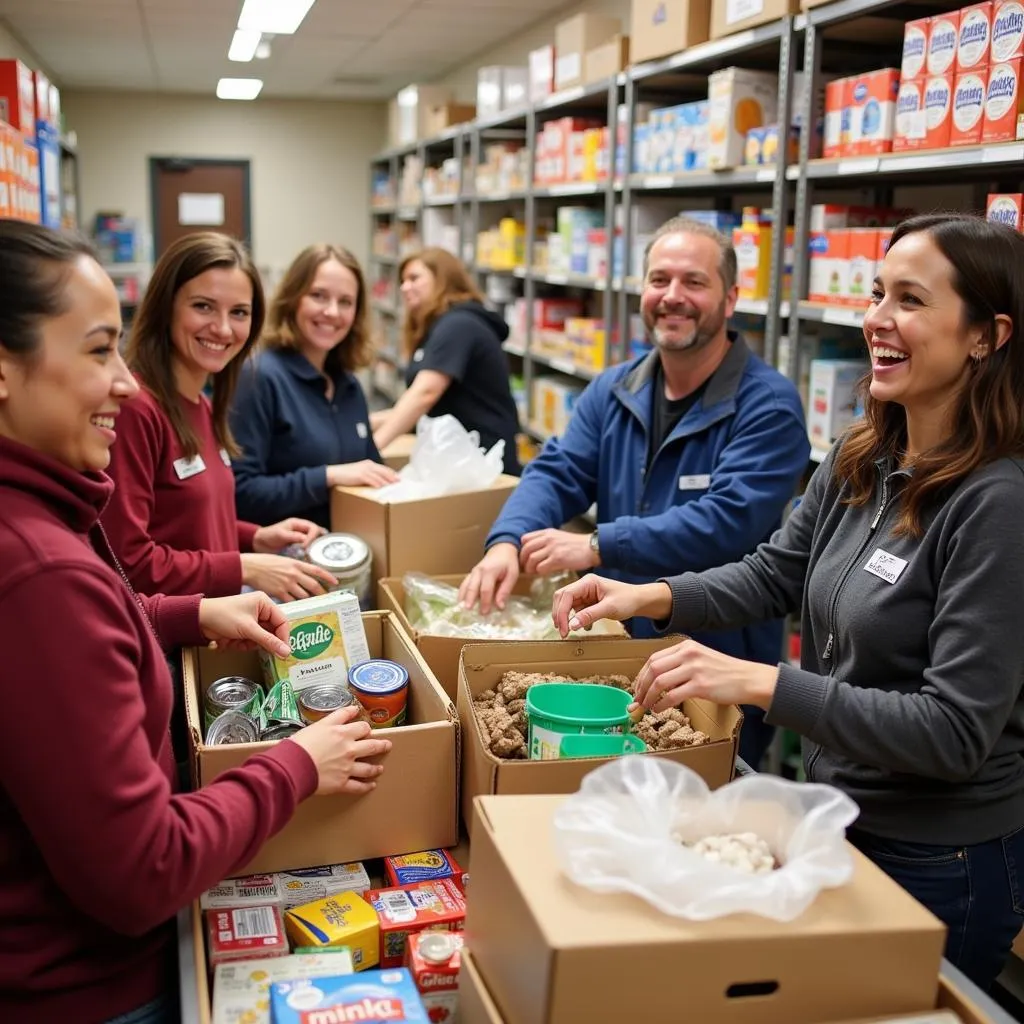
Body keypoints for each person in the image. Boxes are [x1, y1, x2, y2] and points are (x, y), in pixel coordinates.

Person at [552, 213, 1024, 992]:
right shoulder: (863, 455)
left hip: (946, 862)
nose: (876, 319)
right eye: (876, 294)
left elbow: (953, 731)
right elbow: (776, 574)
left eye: (910, 300)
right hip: (839, 817)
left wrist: (761, 682)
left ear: (986, 335)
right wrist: (649, 593)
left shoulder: (997, 503)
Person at [0, 221, 392, 1022]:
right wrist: (298, 766)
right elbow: (141, 867)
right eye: (97, 351)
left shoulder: (52, 526)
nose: (121, 381)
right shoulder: (38, 569)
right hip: (85, 987)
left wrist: (206, 596)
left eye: (237, 311)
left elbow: (113, 602)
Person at [460, 216, 810, 769]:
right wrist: (506, 540)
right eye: (659, 280)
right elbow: (556, 471)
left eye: (694, 282)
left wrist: (599, 545)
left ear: (731, 298)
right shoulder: (615, 389)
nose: (673, 296)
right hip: (621, 654)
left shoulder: (768, 406)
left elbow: (729, 520)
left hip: (718, 670)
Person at [102, 232, 337, 602]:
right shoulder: (135, 408)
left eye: (239, 312)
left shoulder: (203, 403)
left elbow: (186, 525)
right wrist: (246, 567)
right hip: (168, 645)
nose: (224, 328)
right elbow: (126, 563)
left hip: (215, 626)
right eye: (203, 306)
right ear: (167, 305)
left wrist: (253, 537)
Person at [231, 244, 398, 529]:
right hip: (284, 562)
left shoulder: (350, 386)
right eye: (318, 296)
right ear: (293, 298)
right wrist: (328, 477)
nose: (332, 312)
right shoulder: (258, 377)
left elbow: (372, 473)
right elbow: (239, 492)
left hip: (350, 553)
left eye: (345, 302)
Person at [370, 247, 521, 476]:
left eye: (414, 278)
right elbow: (422, 406)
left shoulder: (458, 325)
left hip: (484, 464)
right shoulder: (440, 326)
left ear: (442, 279)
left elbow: (425, 394)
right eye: (403, 280)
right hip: (459, 457)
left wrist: (368, 450)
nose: (404, 287)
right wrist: (361, 423)